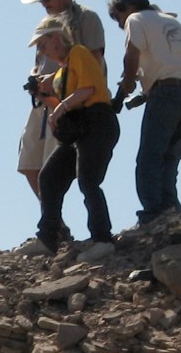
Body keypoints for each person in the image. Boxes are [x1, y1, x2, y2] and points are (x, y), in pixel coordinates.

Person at [20, 17, 120, 262]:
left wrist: (61, 106)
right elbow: (61, 106)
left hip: (98, 121)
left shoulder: (79, 54)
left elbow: (89, 90)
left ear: (56, 38)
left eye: (43, 45)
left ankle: (103, 239)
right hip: (79, 127)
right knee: (49, 176)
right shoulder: (60, 74)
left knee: (88, 180)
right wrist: (45, 97)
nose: (42, 52)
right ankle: (48, 238)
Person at [16, 0, 106, 222]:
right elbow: (40, 61)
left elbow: (94, 62)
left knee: (52, 167)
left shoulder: (87, 18)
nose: (44, 3)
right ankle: (55, 223)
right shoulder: (45, 25)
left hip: (69, 102)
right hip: (43, 102)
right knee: (29, 163)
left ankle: (53, 226)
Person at [108, 0, 181, 226]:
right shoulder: (173, 22)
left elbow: (132, 53)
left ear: (128, 8)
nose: (120, 25)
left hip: (166, 94)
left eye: (118, 18)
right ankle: (173, 215)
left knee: (150, 158)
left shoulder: (135, 19)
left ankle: (154, 216)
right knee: (170, 160)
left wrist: (122, 93)